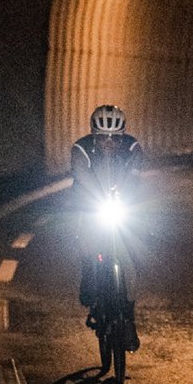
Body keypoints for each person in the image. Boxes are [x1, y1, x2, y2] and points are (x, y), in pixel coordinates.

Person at [71, 105, 143, 352]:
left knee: (131, 262)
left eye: (114, 137)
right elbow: (82, 176)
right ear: (94, 135)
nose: (108, 143)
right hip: (92, 206)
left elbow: (134, 177)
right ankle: (89, 278)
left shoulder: (132, 148)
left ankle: (129, 322)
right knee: (85, 242)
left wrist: (128, 197)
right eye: (102, 137)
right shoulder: (81, 149)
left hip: (121, 206)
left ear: (122, 136)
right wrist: (100, 196)